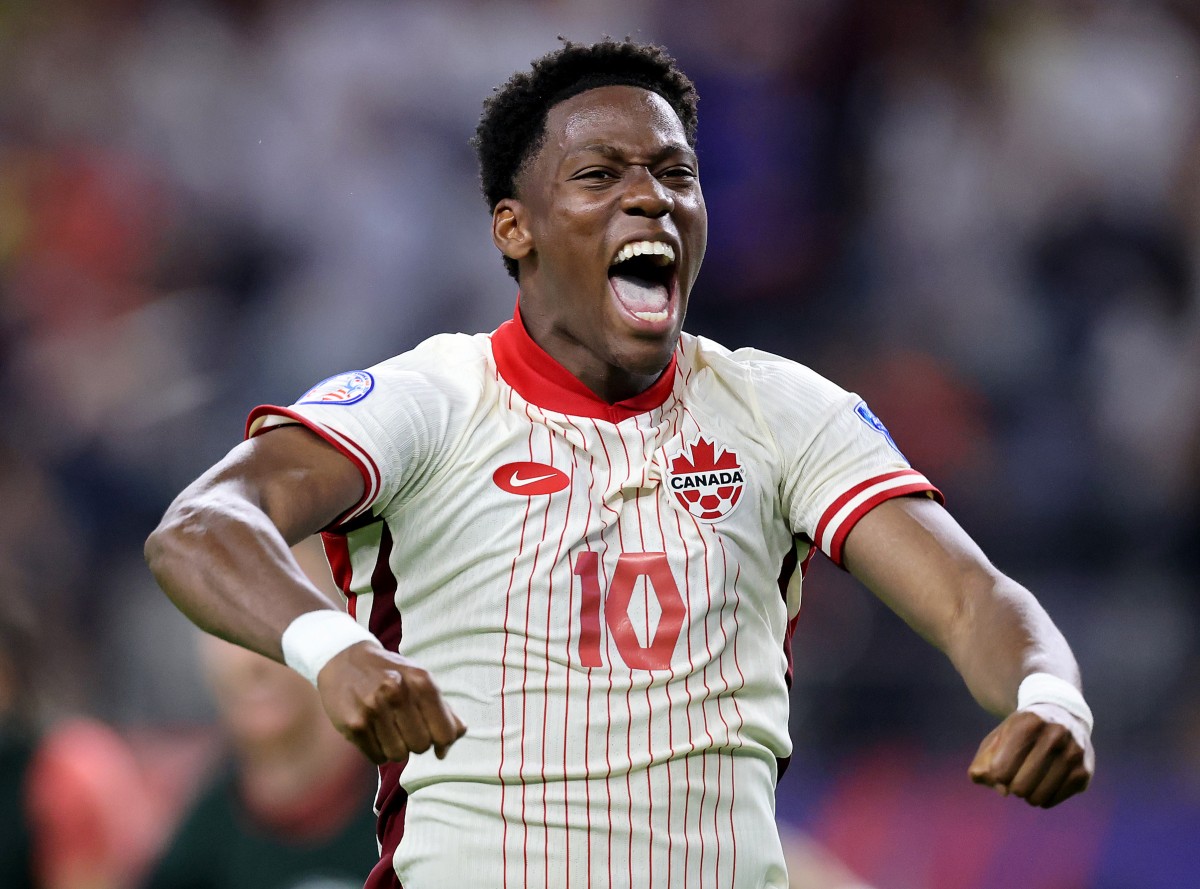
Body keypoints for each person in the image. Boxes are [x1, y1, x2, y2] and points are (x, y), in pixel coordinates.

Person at [145, 39, 1095, 888]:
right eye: (600, 174)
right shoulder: (430, 399)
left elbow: (976, 600)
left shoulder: (779, 409)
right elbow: (201, 528)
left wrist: (1049, 693)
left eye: (676, 173)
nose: (652, 197)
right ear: (513, 228)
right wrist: (335, 648)